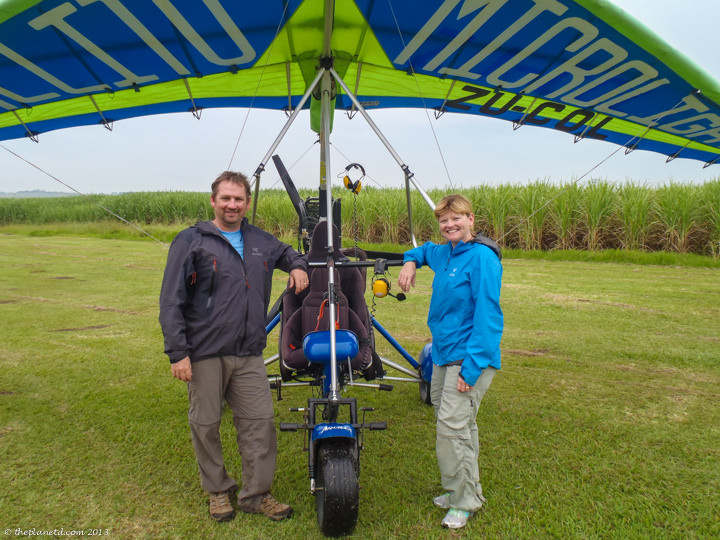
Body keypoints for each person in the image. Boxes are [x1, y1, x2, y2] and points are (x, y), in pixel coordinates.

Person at [159, 171, 309, 523]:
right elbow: (171, 300)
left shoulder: (258, 239)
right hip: (205, 352)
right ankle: (217, 490)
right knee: (206, 423)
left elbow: (287, 252)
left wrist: (298, 267)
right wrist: (178, 352)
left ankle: (256, 494)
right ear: (213, 201)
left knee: (260, 422)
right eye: (225, 198)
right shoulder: (192, 241)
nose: (232, 204)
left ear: (247, 203)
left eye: (238, 199)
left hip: (248, 353)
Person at [397, 194, 503, 530]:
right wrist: (410, 261)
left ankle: (463, 501)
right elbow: (421, 250)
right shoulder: (444, 252)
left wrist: (471, 369)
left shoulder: (483, 258)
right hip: (442, 355)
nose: (449, 225)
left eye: (456, 219)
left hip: (468, 359)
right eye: (444, 220)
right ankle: (468, 490)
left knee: (452, 431)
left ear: (471, 219)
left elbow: (489, 318)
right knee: (461, 428)